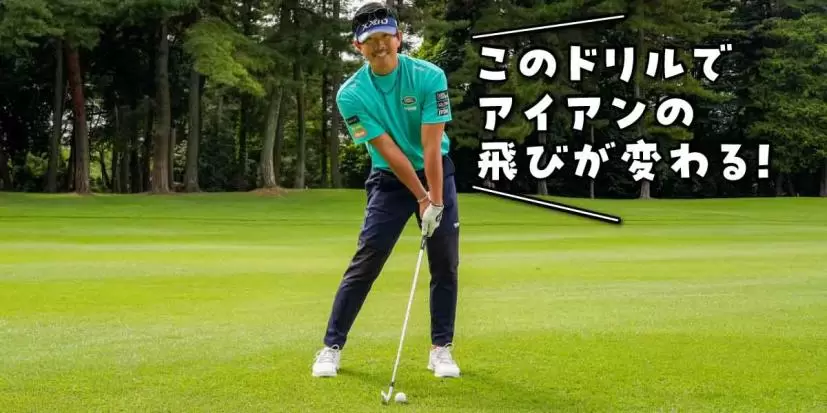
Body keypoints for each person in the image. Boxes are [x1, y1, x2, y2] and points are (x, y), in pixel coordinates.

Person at [311, 2, 461, 379]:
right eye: (370, 40)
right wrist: (422, 198)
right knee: (368, 259)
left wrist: (436, 199)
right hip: (389, 180)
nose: (380, 45)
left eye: (385, 36)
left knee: (444, 262)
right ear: (357, 46)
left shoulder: (430, 77)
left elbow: (431, 147)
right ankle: (331, 347)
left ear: (399, 37)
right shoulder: (350, 95)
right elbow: (389, 151)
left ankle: (441, 349)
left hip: (436, 172)